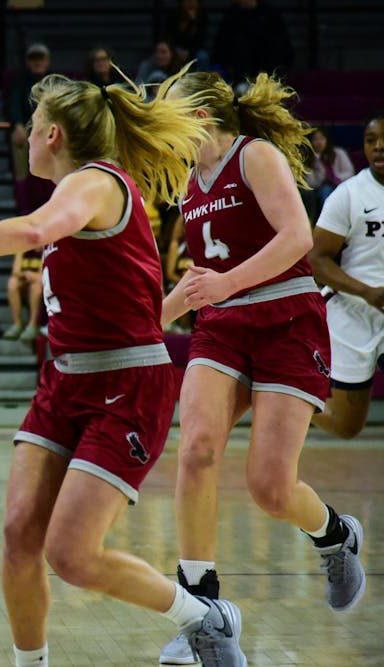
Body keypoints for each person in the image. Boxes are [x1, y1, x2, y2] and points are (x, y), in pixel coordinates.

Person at [0, 69, 248, 667]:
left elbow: (35, 229)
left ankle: (204, 616)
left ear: (54, 135)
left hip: (126, 384)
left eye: (33, 126)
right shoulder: (75, 190)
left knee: (72, 555)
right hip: (65, 379)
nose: (24, 135)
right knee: (19, 534)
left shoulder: (96, 183)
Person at [157, 70, 366, 665]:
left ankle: (334, 536)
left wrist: (224, 283)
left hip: (286, 322)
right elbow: (200, 282)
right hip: (223, 327)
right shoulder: (188, 180)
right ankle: (203, 611)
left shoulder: (256, 156)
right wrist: (141, 328)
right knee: (195, 448)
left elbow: (297, 235)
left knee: (270, 488)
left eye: (168, 114)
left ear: (197, 117)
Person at [307, 113, 384, 440]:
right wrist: (367, 292)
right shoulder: (349, 194)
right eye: (371, 140)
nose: (379, 147)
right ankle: (286, 399)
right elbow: (317, 260)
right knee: (346, 426)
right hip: (355, 310)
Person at [212, 0, 293, 92]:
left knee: (274, 42)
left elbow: (283, 40)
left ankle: (270, 80)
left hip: (265, 59)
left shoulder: (270, 12)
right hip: (241, 63)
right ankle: (242, 82)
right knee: (239, 42)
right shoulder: (232, 13)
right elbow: (222, 41)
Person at [8, 44, 54, 182]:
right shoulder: (20, 82)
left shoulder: (55, 81)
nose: (37, 62)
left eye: (41, 58)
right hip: (29, 128)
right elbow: (14, 105)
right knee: (18, 139)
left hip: (52, 128)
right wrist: (17, 125)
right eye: (33, 59)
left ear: (47, 61)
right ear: (28, 62)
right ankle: (22, 182)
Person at [301, 126, 356, 224]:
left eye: (321, 139)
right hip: (319, 191)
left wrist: (335, 179)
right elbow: (311, 184)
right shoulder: (309, 159)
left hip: (340, 186)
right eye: (315, 139)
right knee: (325, 190)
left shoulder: (339, 153)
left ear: (327, 140)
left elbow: (350, 173)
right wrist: (320, 172)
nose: (319, 142)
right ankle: (327, 223)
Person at [1, 247, 43, 342]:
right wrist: (27, 274)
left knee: (36, 286)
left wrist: (29, 275)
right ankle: (17, 324)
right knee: (12, 282)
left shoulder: (46, 248)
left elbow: (42, 274)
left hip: (39, 284)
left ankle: (32, 325)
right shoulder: (23, 248)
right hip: (26, 280)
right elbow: (15, 271)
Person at [165, 0, 210, 69]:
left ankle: (197, 78)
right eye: (187, 1)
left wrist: (193, 22)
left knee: (202, 56)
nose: (190, 4)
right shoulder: (174, 15)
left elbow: (200, 40)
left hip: (194, 49)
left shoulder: (202, 16)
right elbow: (172, 38)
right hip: (176, 47)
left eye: (193, 1)